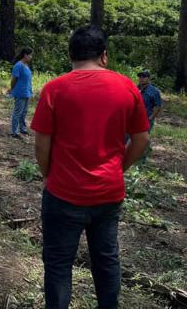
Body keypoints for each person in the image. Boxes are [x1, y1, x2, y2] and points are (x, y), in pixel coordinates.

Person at [30, 26, 150, 309]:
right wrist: (119, 167)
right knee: (106, 259)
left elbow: (41, 145)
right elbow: (142, 139)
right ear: (104, 56)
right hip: (109, 193)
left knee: (59, 264)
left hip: (63, 194)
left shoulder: (55, 89)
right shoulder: (127, 87)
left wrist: (49, 175)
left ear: (70, 55)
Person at [9, 47, 34, 139]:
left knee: (24, 112)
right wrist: (11, 89)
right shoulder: (18, 65)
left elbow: (28, 80)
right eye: (30, 55)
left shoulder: (26, 66)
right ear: (25, 55)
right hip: (20, 92)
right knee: (18, 112)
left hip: (27, 92)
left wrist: (31, 92)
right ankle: (14, 132)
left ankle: (23, 129)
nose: (31, 57)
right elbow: (14, 79)